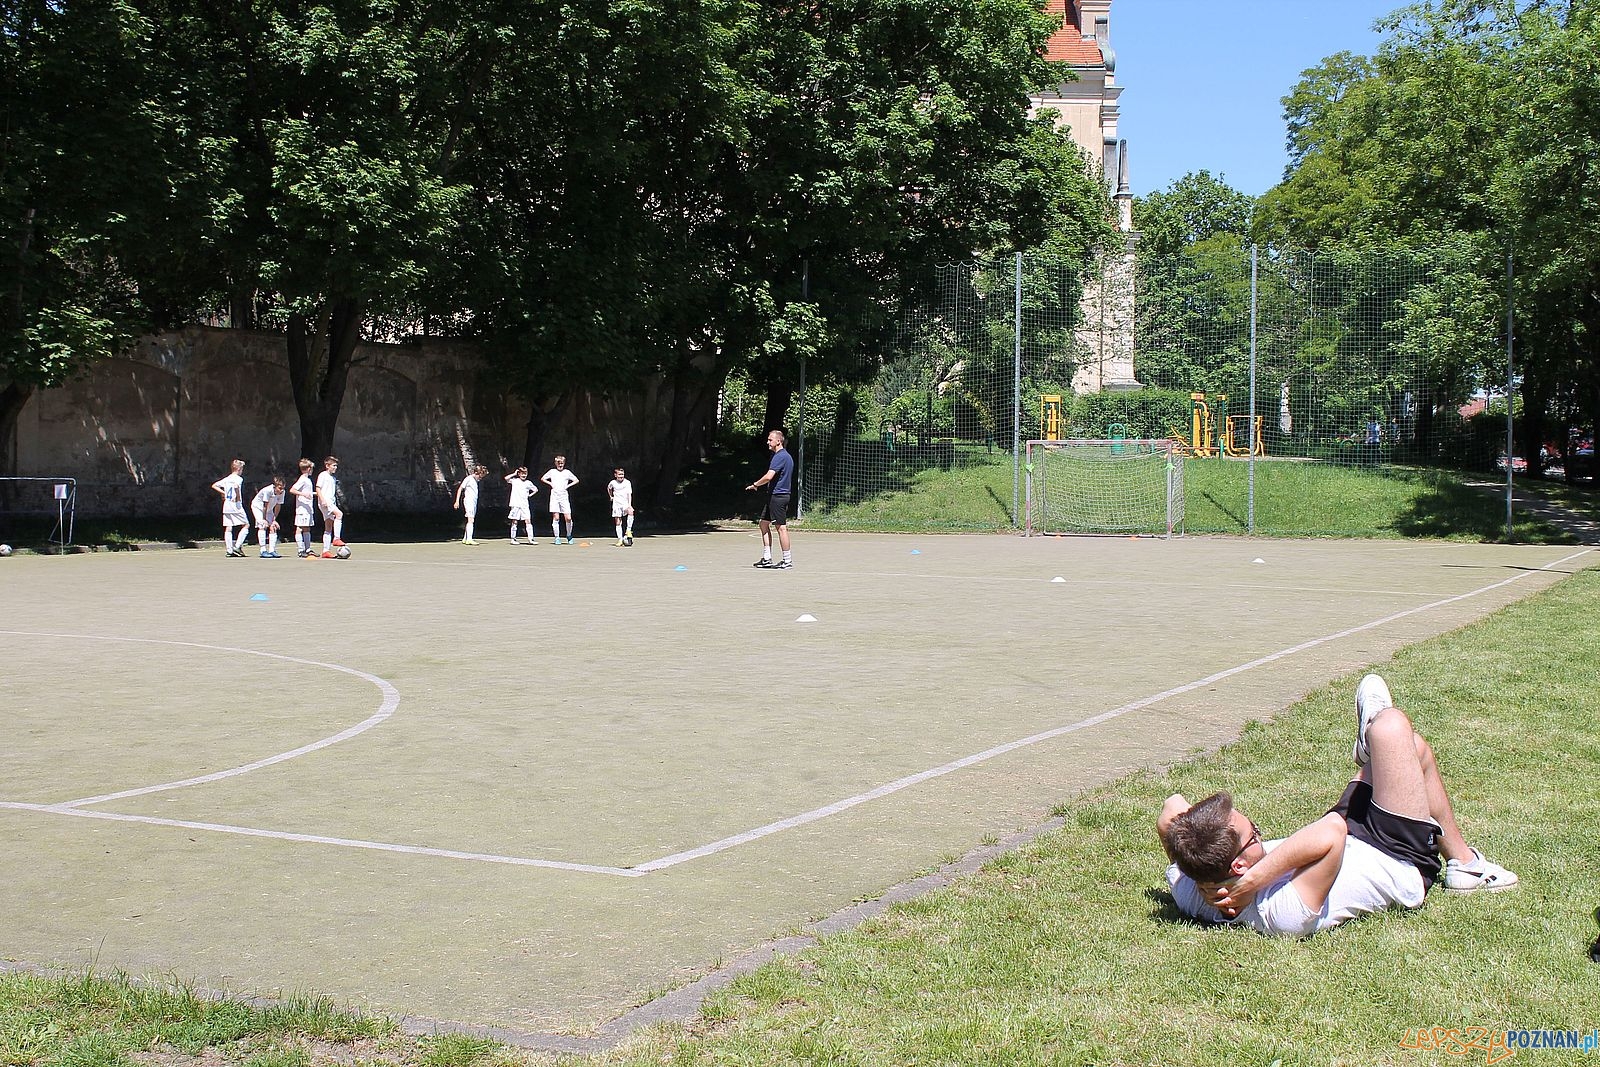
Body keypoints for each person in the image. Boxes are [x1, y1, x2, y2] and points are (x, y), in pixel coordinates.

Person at [1159, 673, 1516, 937]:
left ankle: (1464, 864)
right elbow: (1332, 831)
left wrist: (1205, 866)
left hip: (1350, 840)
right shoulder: (1278, 914)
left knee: (1409, 749)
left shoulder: (1194, 890)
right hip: (1394, 858)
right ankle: (1373, 745)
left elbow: (1171, 807)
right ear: (1239, 865)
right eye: (1255, 835)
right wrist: (1254, 882)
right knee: (1393, 730)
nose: (1260, 835)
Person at [746, 429, 794, 569]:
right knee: (763, 523)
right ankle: (767, 558)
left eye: (770, 440)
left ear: (778, 441)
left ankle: (787, 560)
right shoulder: (785, 456)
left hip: (778, 497)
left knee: (781, 528)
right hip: (774, 496)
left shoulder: (780, 456)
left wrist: (755, 485)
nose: (768, 442)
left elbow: (768, 476)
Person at [210, 459, 249, 557]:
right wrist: (238, 497)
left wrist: (224, 493)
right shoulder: (238, 479)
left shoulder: (227, 479)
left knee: (228, 527)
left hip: (227, 504)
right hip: (236, 504)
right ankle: (237, 546)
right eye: (242, 469)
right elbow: (236, 487)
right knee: (246, 525)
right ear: (239, 469)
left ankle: (229, 550)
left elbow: (214, 485)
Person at [541, 455, 579, 544]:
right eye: (558, 463)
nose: (560, 465)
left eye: (561, 463)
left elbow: (576, 480)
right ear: (555, 463)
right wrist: (550, 484)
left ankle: (569, 535)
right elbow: (543, 478)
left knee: (568, 518)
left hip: (564, 496)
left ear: (564, 463)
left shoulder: (567, 472)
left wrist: (567, 486)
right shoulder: (552, 471)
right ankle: (557, 537)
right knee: (556, 517)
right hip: (555, 496)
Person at [250, 475, 286, 558]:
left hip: (269, 509)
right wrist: (264, 519)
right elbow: (264, 506)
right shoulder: (267, 491)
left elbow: (278, 506)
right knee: (262, 526)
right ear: (274, 486)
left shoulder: (282, 492)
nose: (281, 490)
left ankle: (272, 550)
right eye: (280, 488)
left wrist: (274, 520)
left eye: (283, 488)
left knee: (273, 527)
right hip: (258, 508)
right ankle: (263, 550)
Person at [316, 455, 344, 559]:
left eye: (336, 466)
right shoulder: (323, 475)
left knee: (328, 526)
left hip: (331, 502)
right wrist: (322, 500)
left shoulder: (333, 478)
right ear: (327, 466)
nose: (335, 467)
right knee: (339, 514)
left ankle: (325, 551)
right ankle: (336, 538)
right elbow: (318, 488)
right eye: (333, 465)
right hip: (326, 502)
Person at [289, 458, 317, 557]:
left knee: (307, 528)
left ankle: (308, 549)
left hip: (308, 508)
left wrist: (315, 493)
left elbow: (308, 493)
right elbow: (292, 490)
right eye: (312, 468)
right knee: (299, 527)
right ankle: (301, 550)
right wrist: (303, 494)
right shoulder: (302, 479)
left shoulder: (307, 480)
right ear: (309, 469)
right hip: (302, 509)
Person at [503, 466, 537, 544]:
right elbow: (506, 478)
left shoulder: (528, 483)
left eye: (525, 473)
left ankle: (531, 539)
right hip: (515, 504)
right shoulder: (515, 481)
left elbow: (535, 489)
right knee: (514, 521)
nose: (524, 475)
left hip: (524, 505)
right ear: (519, 474)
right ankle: (513, 538)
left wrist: (530, 495)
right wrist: (514, 474)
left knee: (528, 521)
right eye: (522, 474)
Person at [454, 465, 487, 545]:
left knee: (470, 520)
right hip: (469, 501)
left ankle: (465, 538)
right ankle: (469, 539)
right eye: (480, 476)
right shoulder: (468, 479)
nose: (480, 478)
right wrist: (457, 501)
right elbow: (460, 489)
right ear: (476, 473)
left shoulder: (476, 480)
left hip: (474, 502)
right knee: (471, 520)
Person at [608, 466, 635, 546]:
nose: (621, 476)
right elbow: (609, 488)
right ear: (615, 475)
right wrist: (611, 496)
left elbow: (629, 494)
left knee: (631, 511)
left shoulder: (627, 482)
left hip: (625, 503)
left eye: (622, 474)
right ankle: (620, 539)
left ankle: (628, 530)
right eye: (619, 474)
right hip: (616, 504)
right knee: (618, 521)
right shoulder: (613, 482)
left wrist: (629, 504)